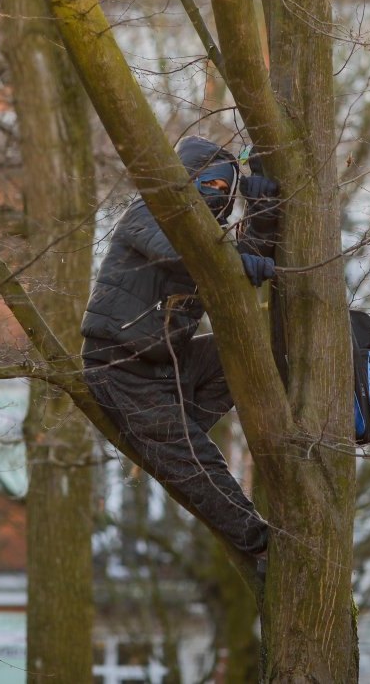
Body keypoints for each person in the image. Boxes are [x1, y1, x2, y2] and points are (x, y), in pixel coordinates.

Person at [80, 136, 280, 556]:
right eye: (211, 186)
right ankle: (259, 545)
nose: (219, 199)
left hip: (167, 364)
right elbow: (185, 253)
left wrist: (262, 208)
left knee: (246, 354)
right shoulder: (148, 212)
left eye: (227, 194)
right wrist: (234, 260)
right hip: (121, 365)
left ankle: (169, 436)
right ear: (187, 180)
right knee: (195, 460)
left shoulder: (212, 242)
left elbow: (242, 259)